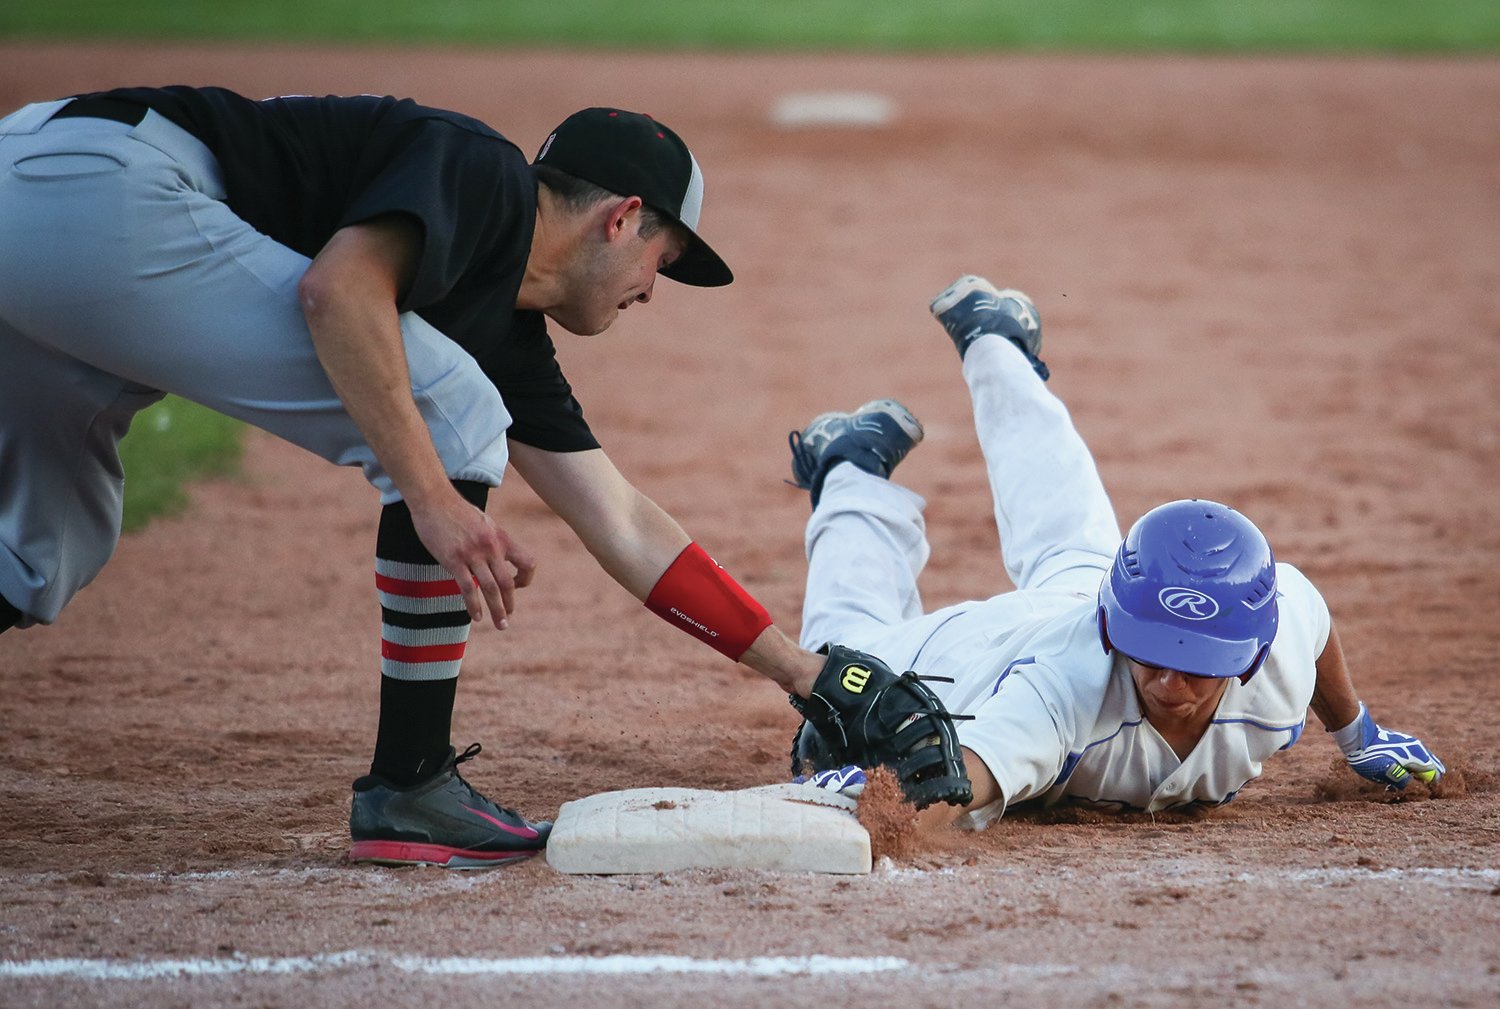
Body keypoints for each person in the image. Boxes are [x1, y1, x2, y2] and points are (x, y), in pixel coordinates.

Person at [0, 87, 861, 868]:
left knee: (44, 549)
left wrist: (802, 672)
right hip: (108, 191)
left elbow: (619, 519)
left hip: (43, 193)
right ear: (623, 217)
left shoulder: (503, 328)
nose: (652, 292)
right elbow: (339, 290)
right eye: (663, 260)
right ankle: (409, 784)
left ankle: (411, 786)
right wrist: (433, 495)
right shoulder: (480, 172)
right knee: (452, 407)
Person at [785, 275, 1445, 829]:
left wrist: (1357, 734)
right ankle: (850, 465)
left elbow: (1311, 611)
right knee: (836, 663)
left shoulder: (1270, 644)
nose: (1167, 683)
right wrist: (882, 799)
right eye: (1151, 656)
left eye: (1194, 667)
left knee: (1069, 530)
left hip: (1080, 600)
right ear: (1118, 619)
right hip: (971, 661)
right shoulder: (1061, 691)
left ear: (1248, 655)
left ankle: (994, 344)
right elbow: (964, 780)